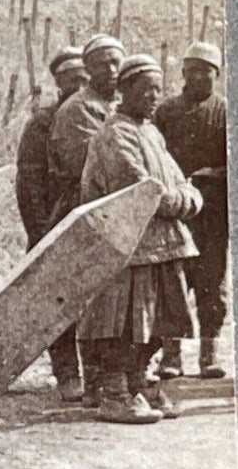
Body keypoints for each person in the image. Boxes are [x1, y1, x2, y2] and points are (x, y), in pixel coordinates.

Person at [77, 54, 202, 424]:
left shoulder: (150, 132)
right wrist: (184, 200)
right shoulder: (114, 134)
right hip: (126, 246)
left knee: (161, 318)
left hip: (161, 244)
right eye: (145, 88)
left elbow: (180, 183)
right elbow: (142, 189)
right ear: (124, 90)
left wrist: (184, 197)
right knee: (123, 320)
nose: (153, 96)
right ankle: (114, 390)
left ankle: (137, 380)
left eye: (158, 89)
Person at [47, 34, 125, 403]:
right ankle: (77, 375)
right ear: (88, 69)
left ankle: (110, 375)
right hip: (83, 214)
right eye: (102, 63)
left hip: (118, 215)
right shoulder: (77, 110)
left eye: (116, 62)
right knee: (78, 297)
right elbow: (92, 170)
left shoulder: (125, 105)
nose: (111, 70)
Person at [16, 45, 89, 399]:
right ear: (59, 84)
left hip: (87, 224)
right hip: (51, 225)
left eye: (83, 77)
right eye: (71, 79)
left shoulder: (97, 116)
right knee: (58, 301)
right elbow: (29, 182)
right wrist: (42, 231)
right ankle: (66, 372)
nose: (79, 84)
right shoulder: (42, 124)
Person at [155, 41, 228, 379]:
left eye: (207, 72)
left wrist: (212, 175)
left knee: (211, 280)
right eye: (192, 71)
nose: (199, 78)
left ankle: (209, 353)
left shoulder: (226, 112)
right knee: (173, 280)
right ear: (183, 73)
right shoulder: (166, 111)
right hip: (175, 213)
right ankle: (170, 355)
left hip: (213, 213)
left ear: (217, 75)